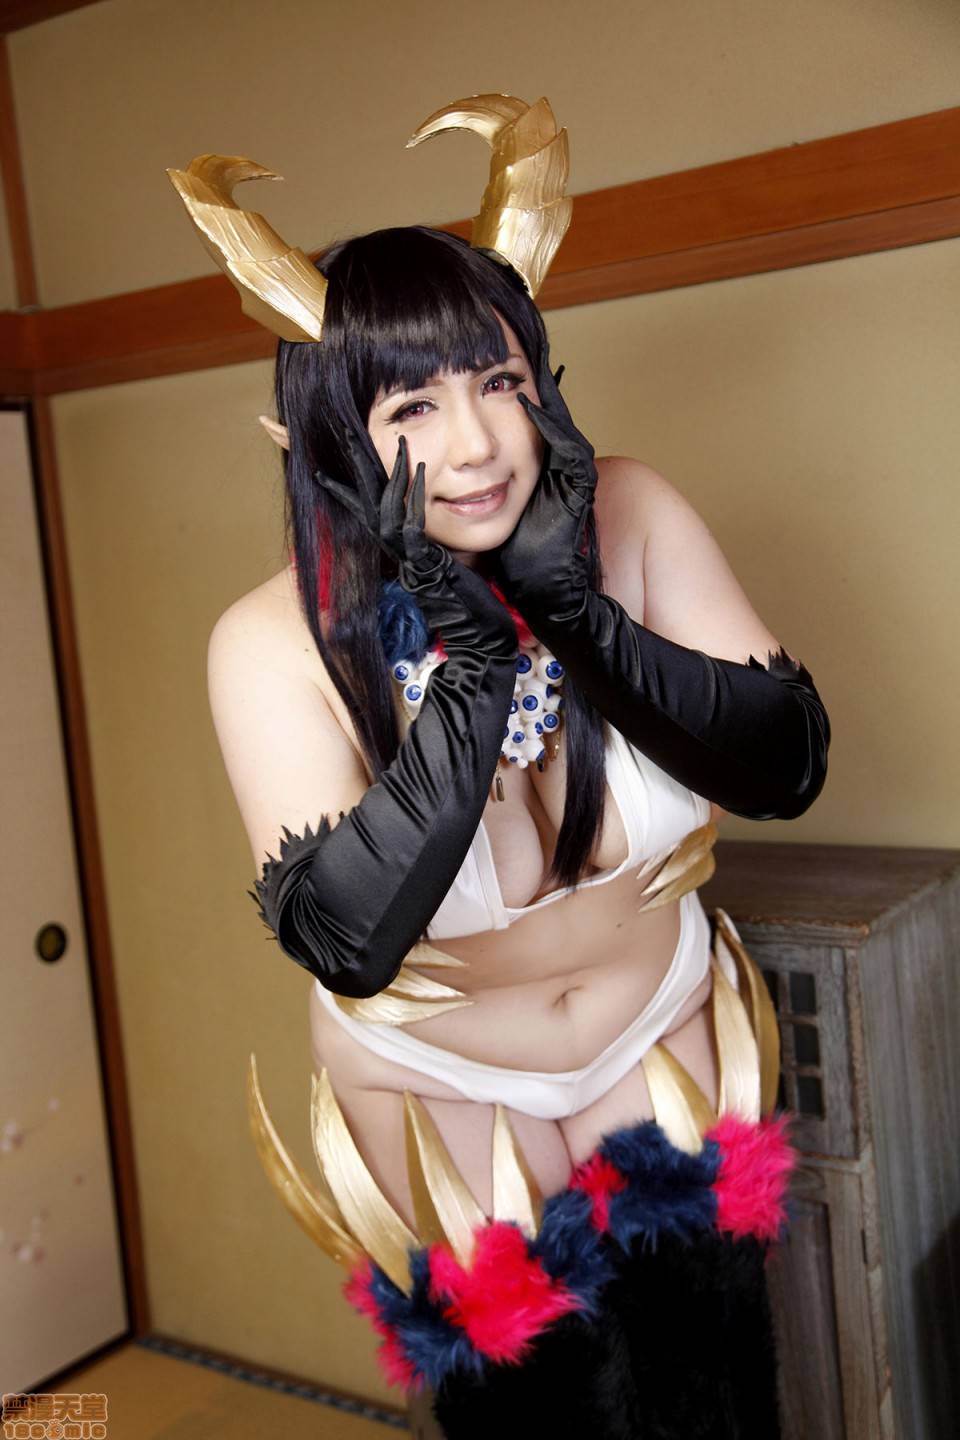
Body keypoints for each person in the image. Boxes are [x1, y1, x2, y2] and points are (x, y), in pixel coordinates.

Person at [171, 94, 830, 1438]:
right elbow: (343, 936)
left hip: (663, 1030)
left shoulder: (631, 511)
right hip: (444, 1089)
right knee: (538, 1422)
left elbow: (785, 765)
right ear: (323, 443)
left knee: (717, 1395)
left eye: (500, 383)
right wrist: (472, 677)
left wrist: (578, 618)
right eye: (412, 404)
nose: (475, 445)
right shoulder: (269, 642)